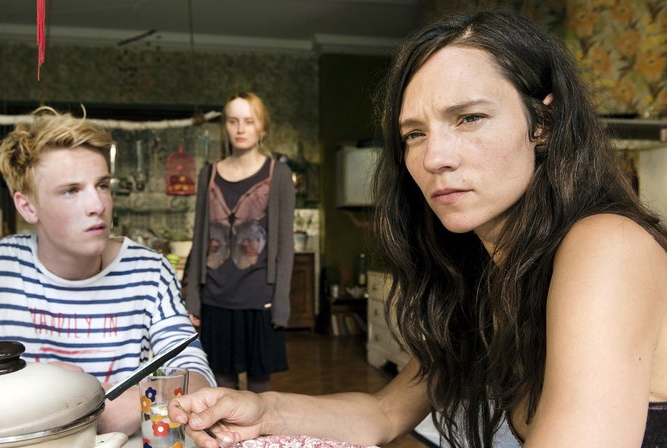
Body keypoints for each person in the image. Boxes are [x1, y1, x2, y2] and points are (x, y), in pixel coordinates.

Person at [169, 10, 667, 448]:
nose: (433, 158)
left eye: (469, 118)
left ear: (544, 124)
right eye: (414, 134)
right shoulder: (486, 278)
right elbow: (384, 414)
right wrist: (262, 410)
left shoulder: (607, 245)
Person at [0, 107, 214, 436]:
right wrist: (4, 389)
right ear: (27, 206)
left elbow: (198, 377)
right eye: (71, 191)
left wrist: (140, 402)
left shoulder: (148, 270)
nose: (98, 206)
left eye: (103, 185)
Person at [183, 92, 295, 393]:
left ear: (263, 128)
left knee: (260, 385)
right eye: (233, 121)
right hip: (215, 299)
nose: (241, 128)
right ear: (225, 127)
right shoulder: (209, 174)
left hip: (260, 297)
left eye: (249, 121)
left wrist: (281, 303)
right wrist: (192, 298)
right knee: (222, 383)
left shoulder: (279, 174)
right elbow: (200, 237)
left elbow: (285, 245)